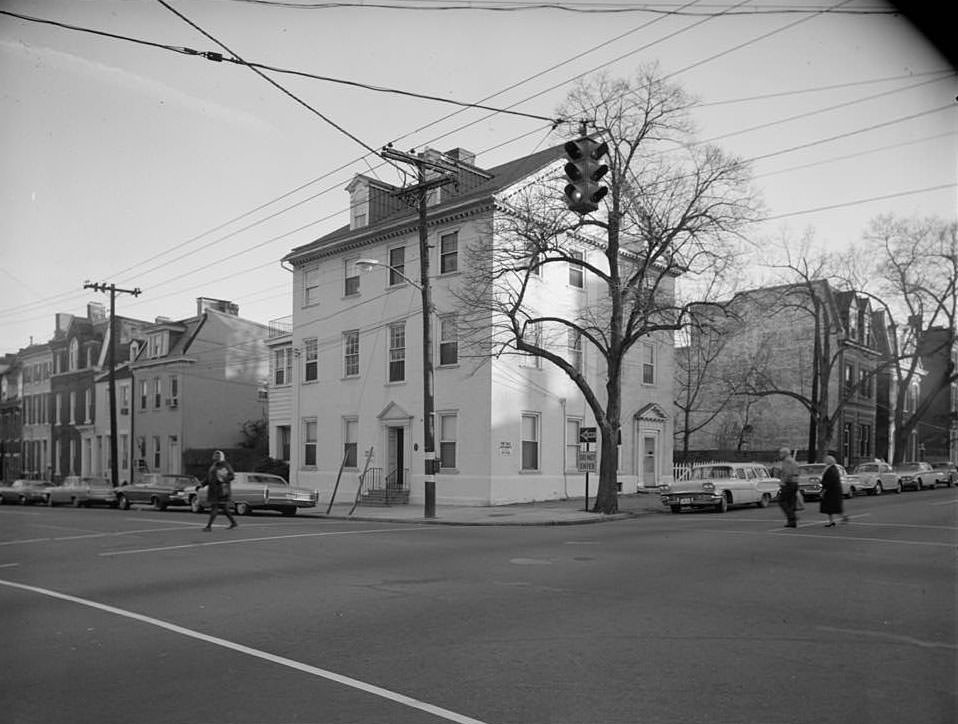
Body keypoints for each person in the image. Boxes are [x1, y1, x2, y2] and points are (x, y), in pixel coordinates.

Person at [203, 450, 237, 531]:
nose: (215, 456)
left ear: (221, 457)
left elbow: (231, 476)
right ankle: (233, 522)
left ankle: (209, 526)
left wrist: (222, 480)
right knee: (224, 508)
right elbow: (209, 478)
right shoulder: (213, 466)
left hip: (221, 490)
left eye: (218, 455)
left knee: (215, 507)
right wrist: (201, 484)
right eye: (215, 455)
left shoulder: (225, 465)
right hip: (213, 490)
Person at [773, 446, 801, 528]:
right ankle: (792, 522)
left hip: (789, 483)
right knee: (791, 502)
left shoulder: (787, 461)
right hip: (795, 482)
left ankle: (792, 517)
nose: (780, 455)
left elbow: (787, 473)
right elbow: (798, 471)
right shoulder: (793, 461)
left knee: (782, 501)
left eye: (781, 453)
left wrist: (783, 482)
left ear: (785, 454)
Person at [819, 454, 849, 527]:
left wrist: (823, 485)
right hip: (832, 490)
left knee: (834, 506)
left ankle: (843, 517)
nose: (824, 461)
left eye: (826, 460)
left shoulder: (831, 469)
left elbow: (830, 480)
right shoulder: (831, 468)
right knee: (829, 507)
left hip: (832, 491)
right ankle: (831, 521)